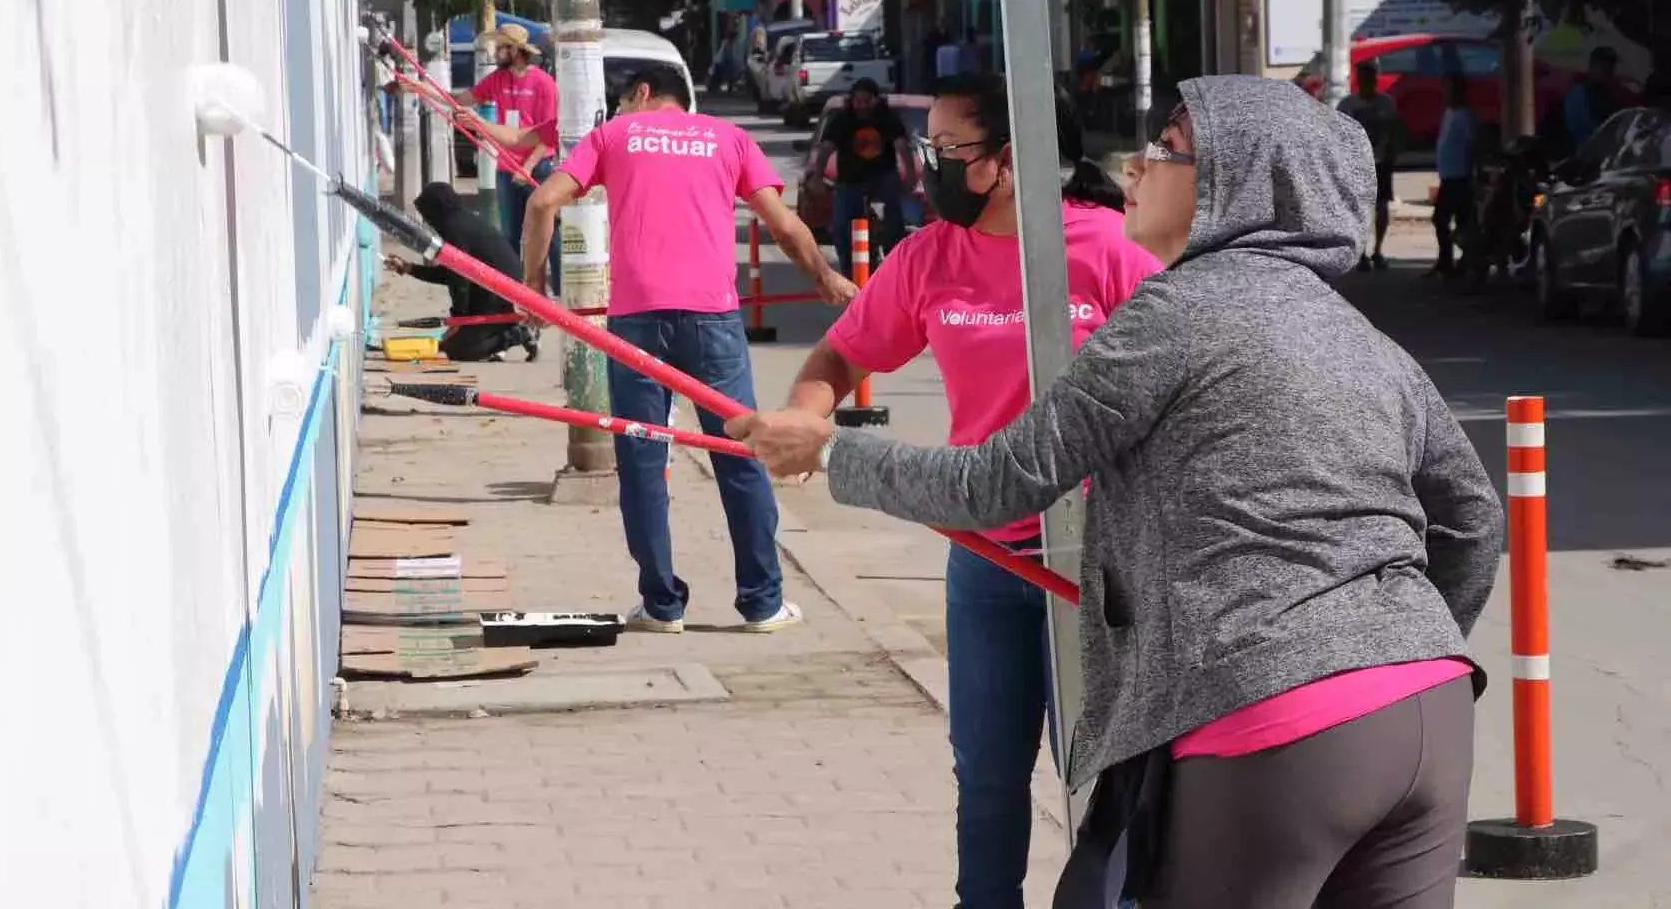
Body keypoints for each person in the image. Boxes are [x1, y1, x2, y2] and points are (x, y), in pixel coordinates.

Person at [732, 75, 1502, 909]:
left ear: (1233, 181)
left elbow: (1002, 479)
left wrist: (838, 456)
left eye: (1165, 151)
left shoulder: (1175, 310)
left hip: (1279, 714)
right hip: (1427, 697)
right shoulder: (1357, 333)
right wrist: (1376, 643)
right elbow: (1471, 518)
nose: (1132, 168)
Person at [783, 72, 1160, 909]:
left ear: (1012, 161)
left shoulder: (1110, 252)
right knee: (987, 772)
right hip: (986, 559)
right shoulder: (932, 256)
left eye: (947, 152)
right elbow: (843, 355)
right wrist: (805, 419)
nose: (929, 170)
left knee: (1105, 780)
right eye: (930, 150)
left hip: (1101, 571)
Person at [521, 64, 859, 633]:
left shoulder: (613, 136)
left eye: (625, 100)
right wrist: (826, 279)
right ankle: (763, 603)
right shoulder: (728, 138)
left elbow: (540, 204)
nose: (622, 110)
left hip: (635, 325)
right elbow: (783, 225)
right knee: (744, 453)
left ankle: (661, 606)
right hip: (713, 321)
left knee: (643, 461)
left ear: (644, 94)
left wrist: (532, 287)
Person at [426, 23, 562, 288]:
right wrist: (422, 88)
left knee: (549, 234)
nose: (496, 53)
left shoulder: (544, 84)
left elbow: (548, 135)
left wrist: (528, 167)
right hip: (506, 168)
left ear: (516, 50)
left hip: (539, 168)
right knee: (510, 235)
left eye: (501, 48)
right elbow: (461, 99)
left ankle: (558, 290)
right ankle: (514, 293)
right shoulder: (497, 79)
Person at [397, 182, 539, 362]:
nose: (427, 220)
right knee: (451, 343)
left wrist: (459, 319)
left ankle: (515, 333)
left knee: (458, 350)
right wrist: (410, 268)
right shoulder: (461, 220)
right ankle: (503, 330)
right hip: (494, 290)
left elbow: (459, 280)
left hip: (500, 295)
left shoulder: (454, 230)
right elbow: (451, 274)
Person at [805, 78, 918, 269]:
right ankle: (849, 273)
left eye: (867, 100)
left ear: (876, 100)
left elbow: (902, 147)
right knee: (841, 228)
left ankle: (895, 267)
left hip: (883, 177)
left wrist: (911, 177)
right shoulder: (843, 119)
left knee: (894, 223)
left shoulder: (887, 118)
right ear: (852, 100)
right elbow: (826, 148)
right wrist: (817, 176)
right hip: (851, 180)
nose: (863, 105)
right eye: (859, 100)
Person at [1338, 61, 1405, 271]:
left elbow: (1396, 130)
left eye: (1372, 77)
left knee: (1381, 205)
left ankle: (1378, 250)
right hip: (1357, 164)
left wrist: (1394, 154)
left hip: (1381, 161)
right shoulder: (1348, 105)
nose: (1369, 82)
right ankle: (1361, 254)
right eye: (1365, 78)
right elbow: (1338, 134)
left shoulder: (1386, 103)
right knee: (1359, 208)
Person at [1431, 73, 1480, 279]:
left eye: (1451, 90)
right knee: (1449, 220)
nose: (1446, 94)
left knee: (1448, 219)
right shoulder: (1449, 113)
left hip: (1460, 176)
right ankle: (1449, 261)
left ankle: (1458, 261)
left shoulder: (1466, 116)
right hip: (1448, 175)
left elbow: (1475, 143)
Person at [1563, 46, 1624, 149]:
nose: (1607, 69)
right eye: (1602, 65)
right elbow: (1581, 131)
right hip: (1587, 153)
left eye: (1611, 65)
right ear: (1591, 66)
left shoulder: (1612, 93)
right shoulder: (1578, 93)